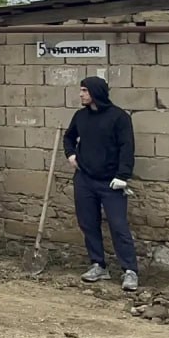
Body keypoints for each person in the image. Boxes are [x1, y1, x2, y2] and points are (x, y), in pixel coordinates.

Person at [64, 76, 138, 291]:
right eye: (81, 90)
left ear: (96, 92)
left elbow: (127, 148)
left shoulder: (119, 117)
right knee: (88, 224)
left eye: (85, 90)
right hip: (85, 179)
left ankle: (130, 271)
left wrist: (123, 176)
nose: (81, 94)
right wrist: (71, 156)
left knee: (118, 226)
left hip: (111, 182)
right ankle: (98, 265)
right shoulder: (80, 116)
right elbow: (69, 138)